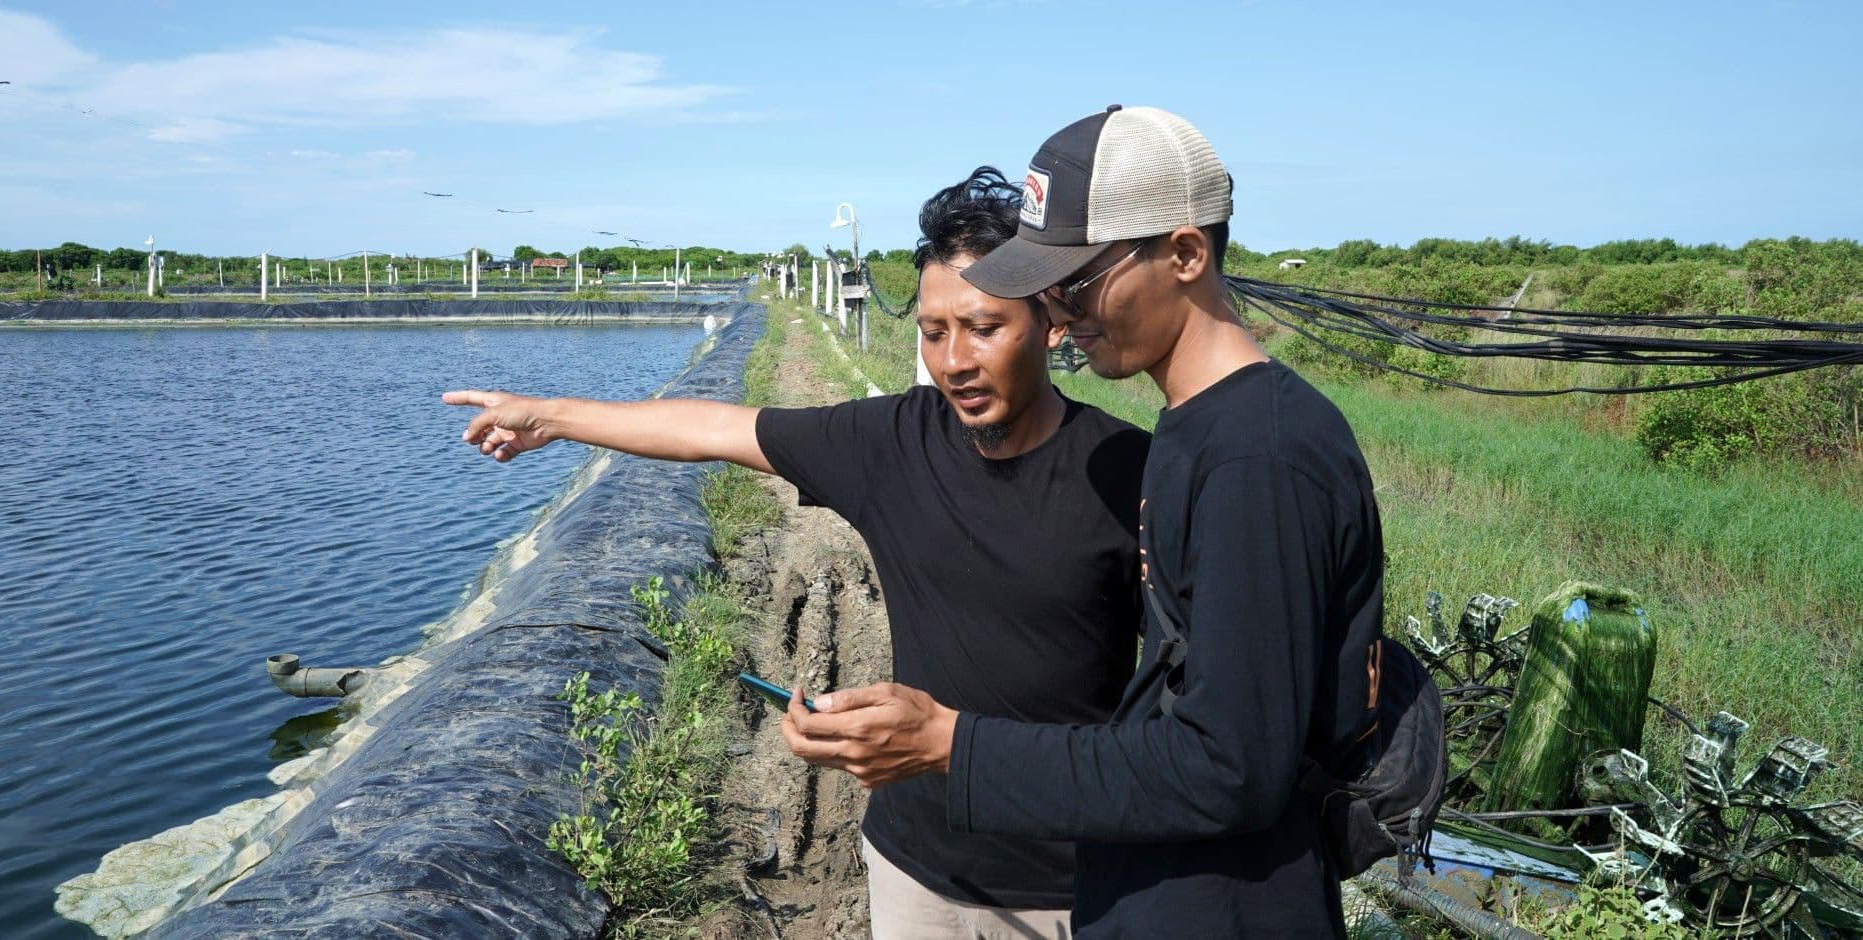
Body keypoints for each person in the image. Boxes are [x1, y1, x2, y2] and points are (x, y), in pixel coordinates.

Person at [446, 166, 1151, 939]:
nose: (954, 361)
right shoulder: (891, 444)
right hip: (915, 872)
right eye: (933, 331)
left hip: (1079, 885)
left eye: (985, 327)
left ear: (1051, 321)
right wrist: (550, 417)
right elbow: (713, 430)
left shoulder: (1132, 472)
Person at [779, 106, 1387, 938]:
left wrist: (955, 744)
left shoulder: (1258, 460)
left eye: (1079, 277)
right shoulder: (1194, 429)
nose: (1061, 307)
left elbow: (1228, 765)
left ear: (1184, 253)